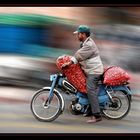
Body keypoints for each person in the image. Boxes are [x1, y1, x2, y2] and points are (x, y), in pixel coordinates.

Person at [62, 25, 104, 123]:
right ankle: (88, 109)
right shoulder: (85, 43)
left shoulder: (89, 45)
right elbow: (79, 54)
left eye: (79, 34)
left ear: (84, 34)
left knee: (90, 90)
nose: (77, 36)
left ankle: (97, 115)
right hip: (90, 70)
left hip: (94, 71)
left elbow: (79, 55)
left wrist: (69, 63)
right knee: (81, 86)